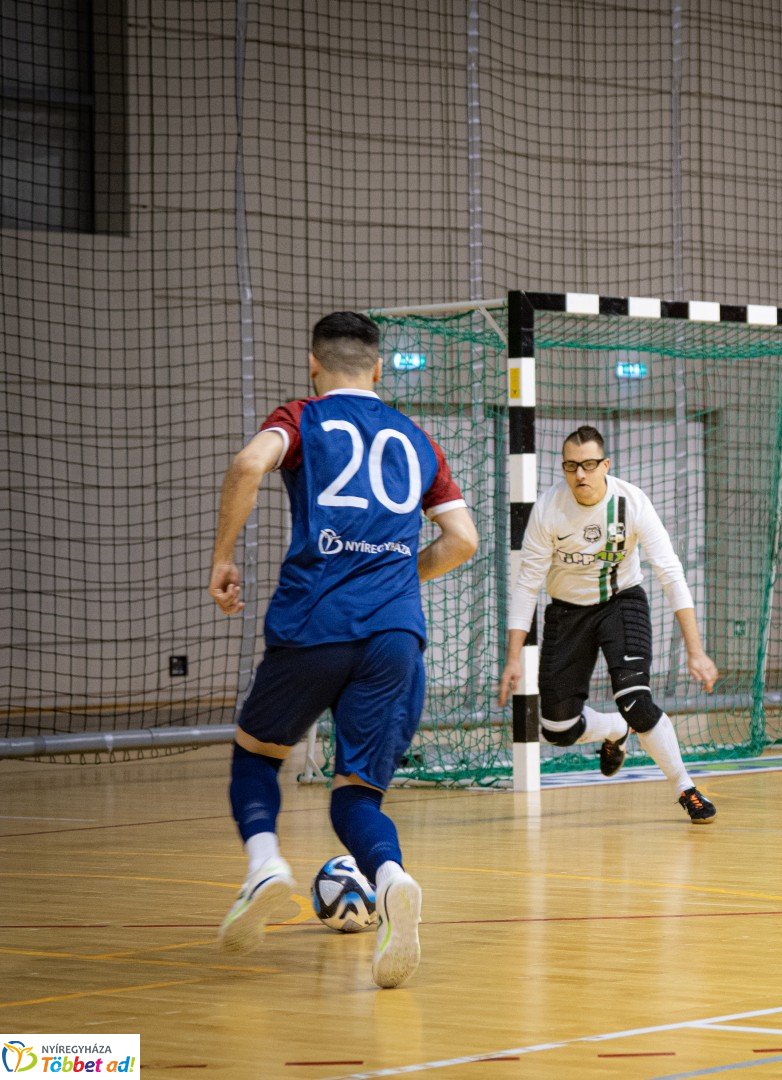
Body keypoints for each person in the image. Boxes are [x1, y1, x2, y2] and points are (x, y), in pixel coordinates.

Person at [209, 311, 479, 989]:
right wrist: (397, 578)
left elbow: (247, 464)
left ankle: (266, 866)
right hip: (395, 635)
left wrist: (222, 557)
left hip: (315, 623)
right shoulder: (417, 439)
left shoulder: (302, 418)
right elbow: (463, 541)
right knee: (355, 795)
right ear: (379, 368)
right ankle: (390, 877)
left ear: (314, 365)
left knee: (256, 755)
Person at [498, 425, 720, 823]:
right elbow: (527, 585)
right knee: (557, 729)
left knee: (636, 700)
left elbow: (670, 573)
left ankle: (686, 788)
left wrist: (696, 650)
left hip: (621, 603)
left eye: (588, 465)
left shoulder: (631, 502)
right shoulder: (548, 510)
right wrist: (514, 657)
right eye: (571, 466)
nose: (579, 474)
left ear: (605, 465)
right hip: (567, 612)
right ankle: (616, 728)